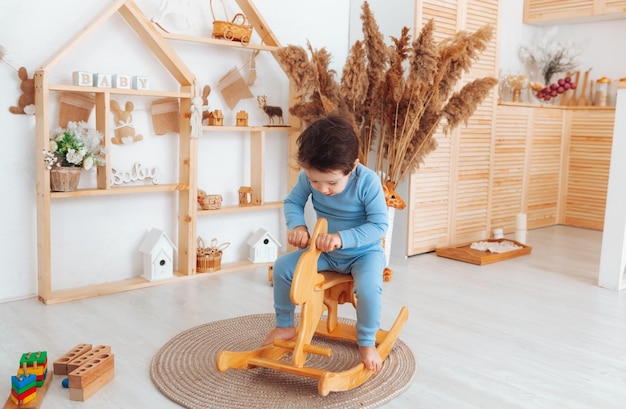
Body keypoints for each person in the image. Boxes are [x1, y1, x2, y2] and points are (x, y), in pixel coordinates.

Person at [262, 113, 388, 372]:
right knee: (283, 268)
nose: (322, 189)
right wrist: (297, 226)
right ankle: (285, 325)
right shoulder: (310, 178)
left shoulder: (368, 182)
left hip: (363, 253)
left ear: (353, 166)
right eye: (314, 181)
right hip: (324, 251)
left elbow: (379, 226)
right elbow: (293, 202)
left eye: (331, 182)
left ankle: (366, 340)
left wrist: (342, 238)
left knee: (368, 289)